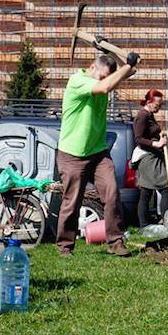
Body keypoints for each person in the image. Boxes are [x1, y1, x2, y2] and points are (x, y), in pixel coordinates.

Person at [56, 53, 138, 257]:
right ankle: (65, 246)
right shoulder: (78, 80)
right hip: (72, 153)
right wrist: (127, 64)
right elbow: (106, 86)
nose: (104, 80)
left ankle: (115, 242)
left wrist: (125, 59)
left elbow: (130, 71)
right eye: (101, 76)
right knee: (72, 201)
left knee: (112, 193)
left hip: (98, 152)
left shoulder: (102, 78)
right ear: (91, 67)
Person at [133, 88, 168, 228]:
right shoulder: (142, 116)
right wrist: (157, 143)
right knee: (164, 188)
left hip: (154, 157)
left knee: (146, 192)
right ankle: (164, 223)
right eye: (157, 104)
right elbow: (138, 139)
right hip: (148, 159)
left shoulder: (149, 115)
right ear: (149, 102)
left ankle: (145, 224)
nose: (159, 107)